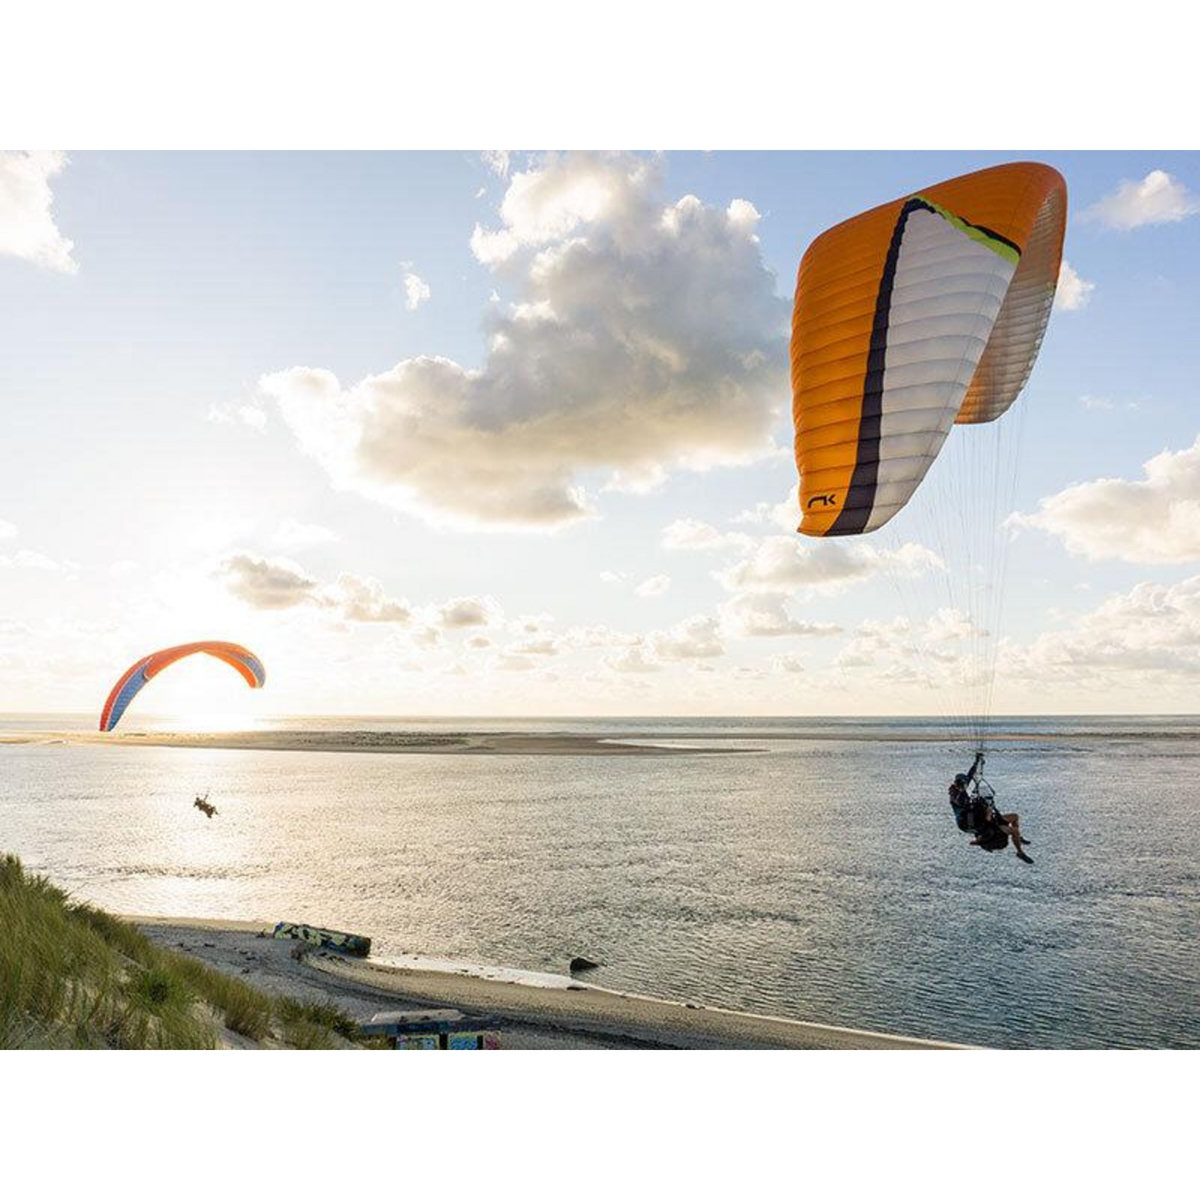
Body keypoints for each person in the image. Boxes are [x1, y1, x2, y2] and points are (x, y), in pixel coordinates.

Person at [948, 752, 1032, 864]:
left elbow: (971, 774)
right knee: (1012, 830)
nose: (964, 786)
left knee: (1015, 817)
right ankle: (1019, 852)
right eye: (961, 784)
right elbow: (961, 802)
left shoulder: (964, 784)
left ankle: (1018, 837)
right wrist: (967, 795)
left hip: (976, 815)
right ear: (955, 784)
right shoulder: (954, 794)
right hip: (967, 821)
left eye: (965, 784)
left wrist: (977, 761)